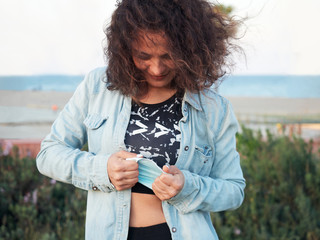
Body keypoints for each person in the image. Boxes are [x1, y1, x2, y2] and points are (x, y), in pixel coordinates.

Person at [36, 0, 245, 239]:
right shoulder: (98, 87)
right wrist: (102, 169)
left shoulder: (214, 109)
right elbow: (48, 155)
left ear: (190, 51)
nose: (156, 69)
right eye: (143, 56)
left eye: (168, 57)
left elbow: (233, 190)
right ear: (125, 50)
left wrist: (187, 186)